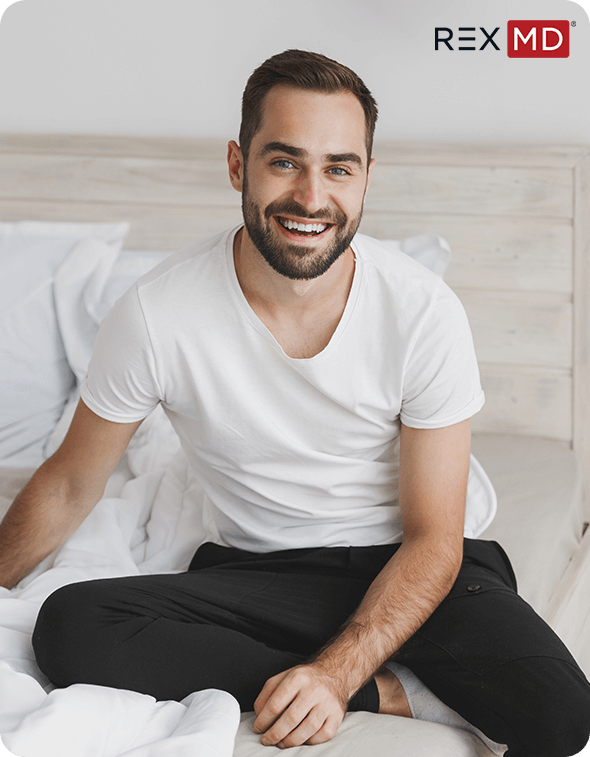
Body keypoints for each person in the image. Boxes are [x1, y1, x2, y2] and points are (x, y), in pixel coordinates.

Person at [1, 49, 589, 757]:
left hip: (410, 571)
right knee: (71, 625)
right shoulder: (158, 312)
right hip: (258, 575)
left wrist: (335, 672)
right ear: (237, 165)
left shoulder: (422, 310)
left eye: (339, 168)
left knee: (568, 720)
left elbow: (434, 539)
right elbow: (70, 483)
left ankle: (355, 673)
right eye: (285, 162)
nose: (311, 198)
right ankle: (398, 694)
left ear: (366, 177)